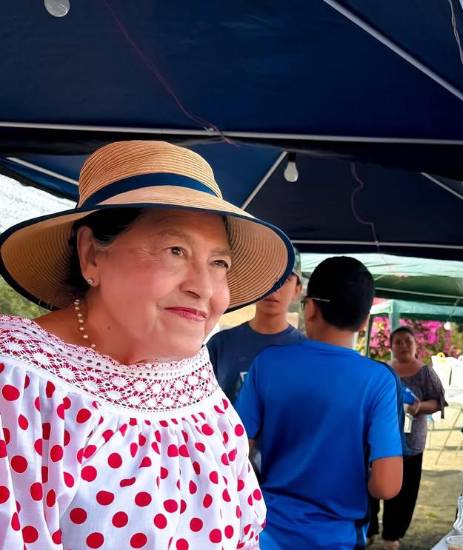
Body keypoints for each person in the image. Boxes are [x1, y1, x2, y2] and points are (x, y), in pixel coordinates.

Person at [0, 141, 294, 548]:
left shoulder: (193, 381)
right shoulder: (18, 382)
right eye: (175, 251)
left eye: (218, 263)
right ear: (91, 255)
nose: (204, 288)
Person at [235, 256, 404, 549]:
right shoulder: (379, 381)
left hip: (267, 531)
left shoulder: (268, 364)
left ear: (310, 308)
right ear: (365, 321)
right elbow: (386, 486)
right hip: (339, 537)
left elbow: (235, 452)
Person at [369, 326, 447, 549]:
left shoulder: (425, 372)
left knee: (405, 490)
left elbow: (439, 402)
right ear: (391, 346)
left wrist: (420, 407)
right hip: (381, 440)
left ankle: (392, 535)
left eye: (408, 341)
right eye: (398, 341)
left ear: (415, 345)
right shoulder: (383, 370)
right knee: (373, 484)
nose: (403, 345)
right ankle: (370, 529)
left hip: (411, 444)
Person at [207, 250, 304, 403]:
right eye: (267, 277)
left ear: (297, 290)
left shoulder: (305, 350)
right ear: (255, 284)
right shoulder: (220, 344)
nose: (275, 288)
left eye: (285, 279)